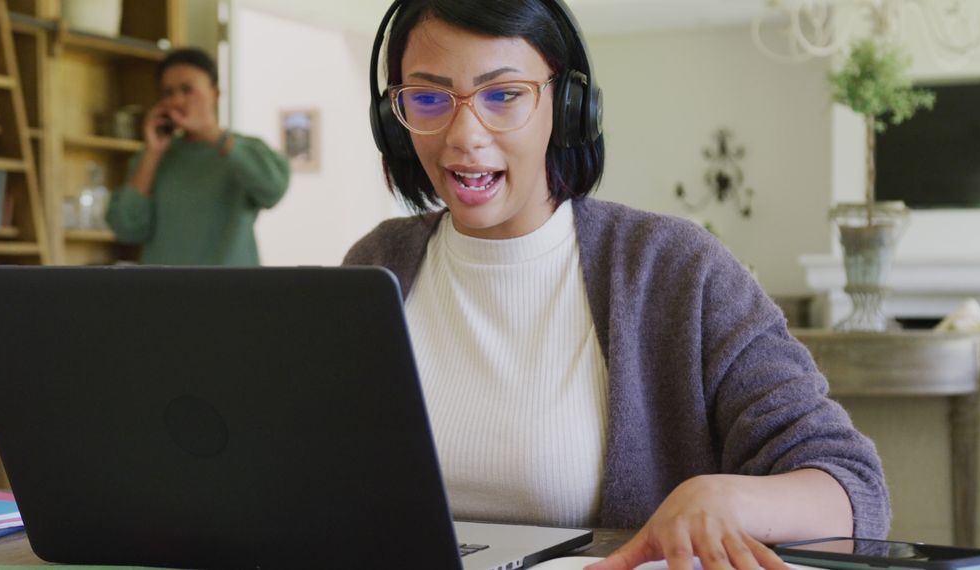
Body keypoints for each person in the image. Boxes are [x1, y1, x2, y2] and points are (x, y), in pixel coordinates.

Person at [344, 1, 890, 569]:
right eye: (429, 98)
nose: (463, 135)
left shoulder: (677, 270)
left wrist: (722, 498)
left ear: (570, 107)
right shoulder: (376, 265)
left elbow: (852, 488)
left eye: (503, 95)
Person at [106, 48, 289, 266]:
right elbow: (127, 228)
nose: (177, 100)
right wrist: (153, 153)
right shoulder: (152, 157)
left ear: (215, 93)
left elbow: (273, 190)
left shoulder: (245, 149)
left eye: (187, 89)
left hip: (233, 293)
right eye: (168, 93)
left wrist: (212, 134)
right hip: (166, 292)